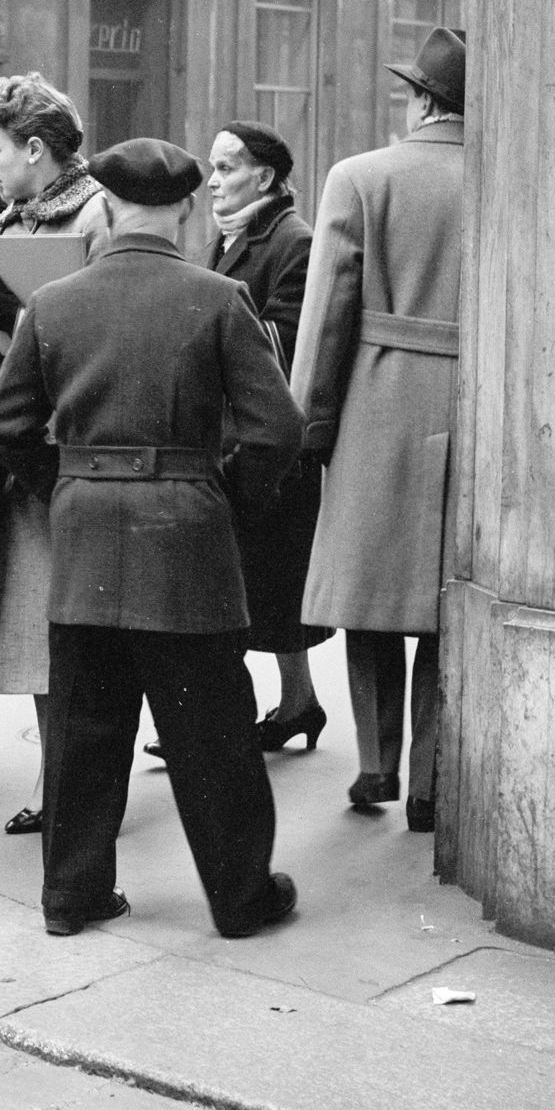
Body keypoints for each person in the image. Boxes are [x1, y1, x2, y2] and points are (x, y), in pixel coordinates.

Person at [0, 138, 303, 940]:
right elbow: (277, 429)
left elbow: (4, 425)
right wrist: (224, 500)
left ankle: (72, 896)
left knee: (84, 726)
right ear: (186, 208)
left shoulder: (53, 303)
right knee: (213, 731)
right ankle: (240, 898)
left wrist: (67, 487)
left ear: (110, 204)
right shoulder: (220, 298)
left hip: (85, 536)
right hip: (186, 537)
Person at [289, 28, 467, 833]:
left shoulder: (359, 177)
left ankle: (376, 762)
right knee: (443, 604)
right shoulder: (502, 180)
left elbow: (328, 314)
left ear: (422, 100)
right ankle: (429, 777)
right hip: (467, 401)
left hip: (376, 400)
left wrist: (309, 423)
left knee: (368, 593)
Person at [0, 74, 108, 838]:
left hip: (66, 457)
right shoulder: (15, 221)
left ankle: (75, 787)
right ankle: (61, 779)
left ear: (37, 150)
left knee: (73, 628)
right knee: (41, 627)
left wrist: (21, 320)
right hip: (18, 455)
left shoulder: (97, 217)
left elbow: (102, 336)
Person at [204, 120, 332, 750]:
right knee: (265, 586)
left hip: (267, 440)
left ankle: (220, 723)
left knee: (258, 586)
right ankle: (299, 703)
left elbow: (287, 341)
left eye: (225, 168)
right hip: (240, 432)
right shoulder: (239, 235)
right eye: (212, 168)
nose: (213, 181)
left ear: (265, 176)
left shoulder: (293, 240)